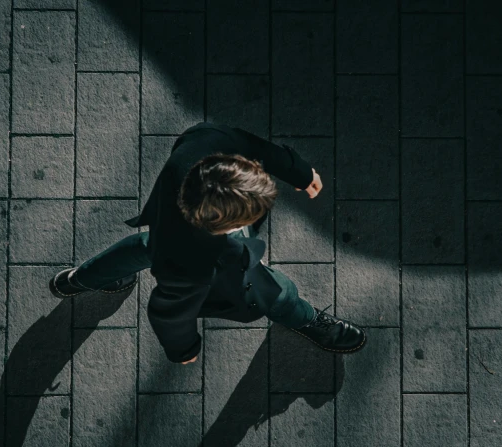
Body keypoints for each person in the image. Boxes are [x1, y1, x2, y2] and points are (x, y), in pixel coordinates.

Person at [49, 121, 367, 364]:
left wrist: (296, 170)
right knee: (276, 291)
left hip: (169, 219)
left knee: (148, 246)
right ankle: (306, 319)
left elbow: (247, 145)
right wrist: (182, 348)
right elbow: (169, 309)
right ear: (222, 225)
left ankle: (81, 279)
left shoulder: (208, 144)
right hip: (190, 249)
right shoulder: (190, 261)